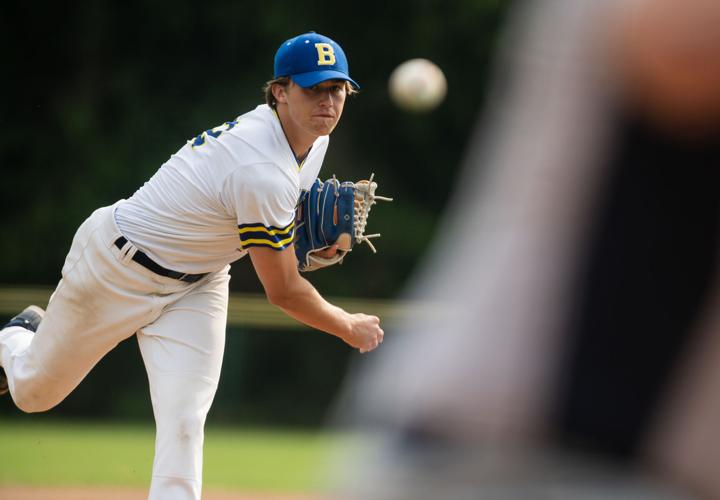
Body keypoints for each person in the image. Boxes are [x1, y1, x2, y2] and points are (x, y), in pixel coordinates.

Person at [0, 31, 384, 500]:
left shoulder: (311, 141)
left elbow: (280, 226)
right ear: (280, 91)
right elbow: (282, 290)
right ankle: (16, 337)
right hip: (117, 267)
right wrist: (347, 325)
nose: (328, 101)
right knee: (33, 393)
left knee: (184, 420)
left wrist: (304, 244)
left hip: (199, 281)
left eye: (337, 88)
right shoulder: (259, 166)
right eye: (313, 88)